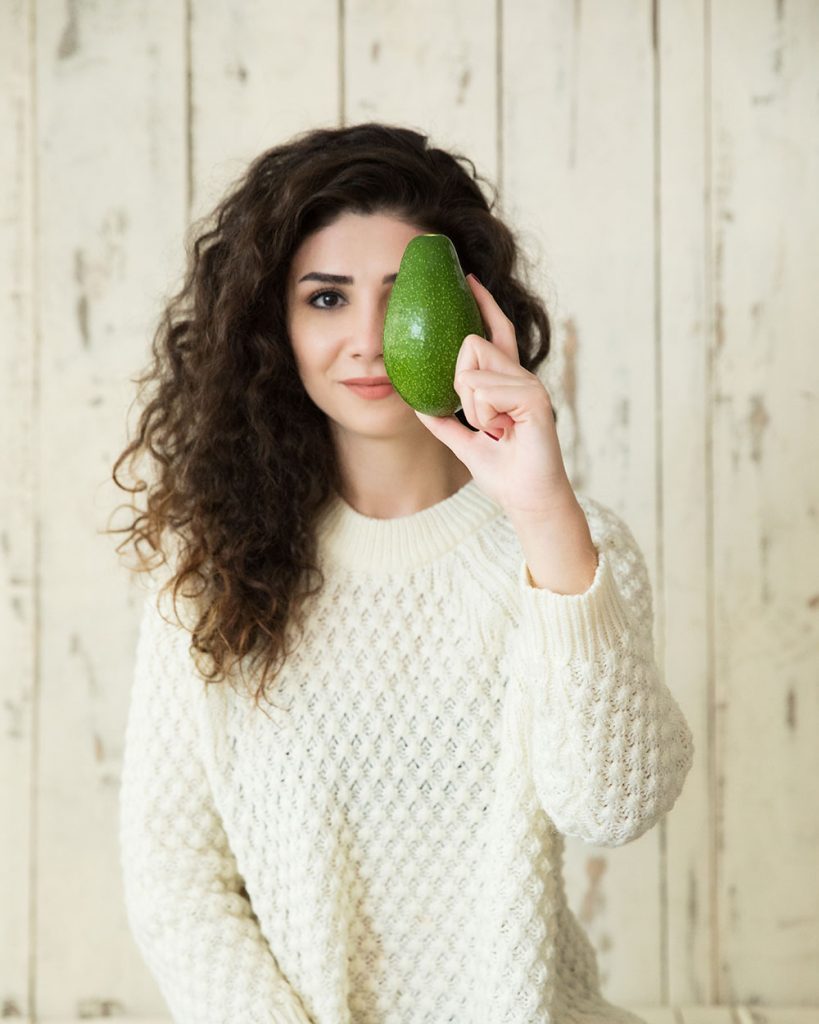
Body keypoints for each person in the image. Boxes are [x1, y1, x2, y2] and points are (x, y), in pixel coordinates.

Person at [110, 121, 694, 1024]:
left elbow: (613, 807)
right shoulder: (209, 575)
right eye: (328, 298)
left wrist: (542, 512)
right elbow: (176, 883)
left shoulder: (574, 548)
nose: (371, 339)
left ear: (471, 312)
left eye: (399, 295)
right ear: (275, 324)